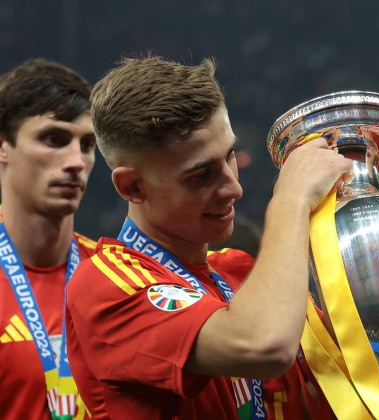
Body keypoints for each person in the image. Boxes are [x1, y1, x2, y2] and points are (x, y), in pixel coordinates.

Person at [64, 56, 352, 419]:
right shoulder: (105, 287)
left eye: (230, 156)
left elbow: (358, 364)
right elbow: (263, 346)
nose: (233, 188)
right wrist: (290, 201)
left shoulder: (239, 272)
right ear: (132, 185)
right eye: (201, 174)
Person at [0, 59, 97, 419]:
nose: (75, 161)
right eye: (53, 139)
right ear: (3, 146)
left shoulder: (114, 274)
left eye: (87, 144)